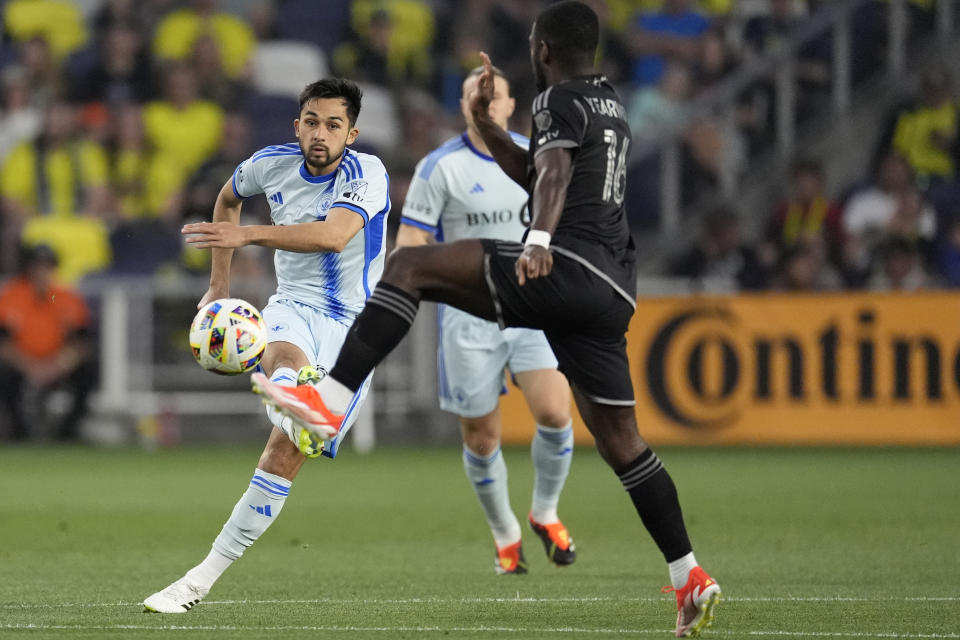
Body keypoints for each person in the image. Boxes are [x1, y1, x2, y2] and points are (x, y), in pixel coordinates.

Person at [253, 3, 721, 637]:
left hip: (562, 265)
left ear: (546, 51)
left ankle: (327, 400)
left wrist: (540, 240)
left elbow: (550, 175)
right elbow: (538, 169)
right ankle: (688, 574)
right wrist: (481, 122)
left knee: (410, 270)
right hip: (613, 287)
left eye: (533, 45)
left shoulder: (555, 99)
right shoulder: (608, 102)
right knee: (622, 442)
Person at [142, 78, 391, 613]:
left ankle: (203, 577)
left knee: (285, 452)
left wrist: (248, 236)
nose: (320, 134)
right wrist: (219, 284)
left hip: (356, 327)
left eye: (333, 125)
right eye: (311, 122)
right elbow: (228, 198)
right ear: (295, 125)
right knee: (281, 359)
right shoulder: (268, 163)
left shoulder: (367, 173)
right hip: (294, 304)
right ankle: (291, 387)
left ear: (352, 133)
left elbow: (332, 236)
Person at [397, 64, 575, 575]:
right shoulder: (440, 167)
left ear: (510, 105)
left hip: (534, 307)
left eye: (494, 94)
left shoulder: (536, 159)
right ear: (463, 104)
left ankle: (545, 513)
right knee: (480, 437)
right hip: (468, 315)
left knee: (556, 413)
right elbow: (412, 242)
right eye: (477, 92)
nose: (486, 100)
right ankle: (506, 536)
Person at [0, 244, 95, 441]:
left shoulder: (66, 297)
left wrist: (58, 365)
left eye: (47, 266)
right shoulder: (11, 296)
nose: (42, 272)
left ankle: (68, 431)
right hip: (22, 363)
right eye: (37, 266)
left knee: (89, 370)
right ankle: (19, 431)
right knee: (4, 374)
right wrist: (30, 367)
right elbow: (3, 343)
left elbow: (81, 343)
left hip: (57, 363)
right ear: (28, 268)